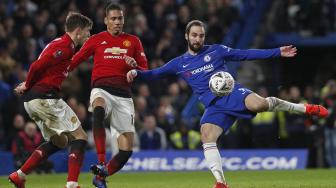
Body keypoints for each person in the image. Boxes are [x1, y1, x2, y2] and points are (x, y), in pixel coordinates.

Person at [126, 20, 329, 188]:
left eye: (201, 35)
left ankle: (305, 109)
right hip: (214, 107)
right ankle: (221, 183)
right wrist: (136, 73)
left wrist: (276, 52)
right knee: (206, 135)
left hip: (232, 93)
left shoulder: (217, 51)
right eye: (194, 35)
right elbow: (155, 74)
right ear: (187, 36)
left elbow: (245, 54)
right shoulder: (179, 63)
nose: (198, 39)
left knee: (260, 105)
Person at [67, 3, 148, 188]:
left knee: (126, 150)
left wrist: (135, 65)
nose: (117, 22)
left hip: (124, 96)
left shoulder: (133, 41)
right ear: (105, 20)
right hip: (101, 87)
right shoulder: (96, 40)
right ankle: (102, 160)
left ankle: (101, 176)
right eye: (113, 18)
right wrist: (55, 72)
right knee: (98, 108)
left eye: (120, 18)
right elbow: (75, 60)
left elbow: (144, 69)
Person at [9, 12, 92, 188]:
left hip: (35, 100)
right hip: (45, 97)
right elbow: (36, 66)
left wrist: (30, 85)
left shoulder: (63, 45)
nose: (88, 35)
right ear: (78, 31)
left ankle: (19, 175)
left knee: (59, 141)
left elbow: (56, 66)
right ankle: (72, 184)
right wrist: (27, 84)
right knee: (80, 137)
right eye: (87, 31)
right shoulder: (65, 46)